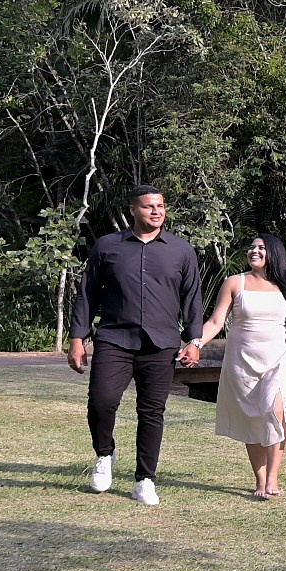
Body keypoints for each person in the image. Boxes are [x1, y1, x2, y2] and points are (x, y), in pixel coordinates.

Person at [68, 185, 205, 506]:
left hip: (161, 345)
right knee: (101, 402)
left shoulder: (181, 250)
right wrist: (77, 338)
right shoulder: (106, 247)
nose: (156, 211)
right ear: (133, 210)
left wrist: (194, 340)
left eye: (160, 206)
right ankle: (105, 454)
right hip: (114, 339)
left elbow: (192, 299)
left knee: (152, 412)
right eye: (148, 207)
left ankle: (145, 479)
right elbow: (87, 294)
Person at [192, 234, 286, 500]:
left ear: (273, 253)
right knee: (253, 418)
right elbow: (216, 321)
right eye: (252, 247)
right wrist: (196, 343)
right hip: (243, 362)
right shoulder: (234, 282)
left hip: (280, 360)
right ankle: (260, 480)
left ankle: (273, 477)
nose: (254, 251)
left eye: (261, 248)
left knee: (276, 412)